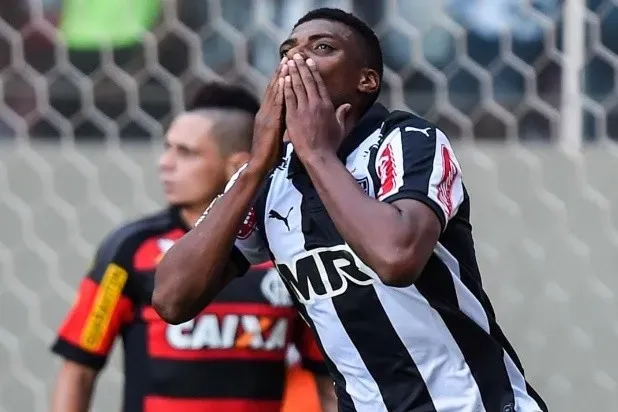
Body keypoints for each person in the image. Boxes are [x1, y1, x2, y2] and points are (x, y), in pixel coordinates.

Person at [153, 7, 548, 412]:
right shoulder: (269, 177)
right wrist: (254, 168)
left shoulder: (407, 141)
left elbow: (396, 259)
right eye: (287, 51)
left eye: (321, 47)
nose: (297, 60)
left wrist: (317, 153)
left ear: (366, 80)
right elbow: (171, 299)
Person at [49, 83, 336, 412]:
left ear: (237, 166)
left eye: (186, 153)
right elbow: (78, 368)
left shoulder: (287, 249)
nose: (165, 163)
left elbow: (325, 376)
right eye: (167, 148)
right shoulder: (130, 249)